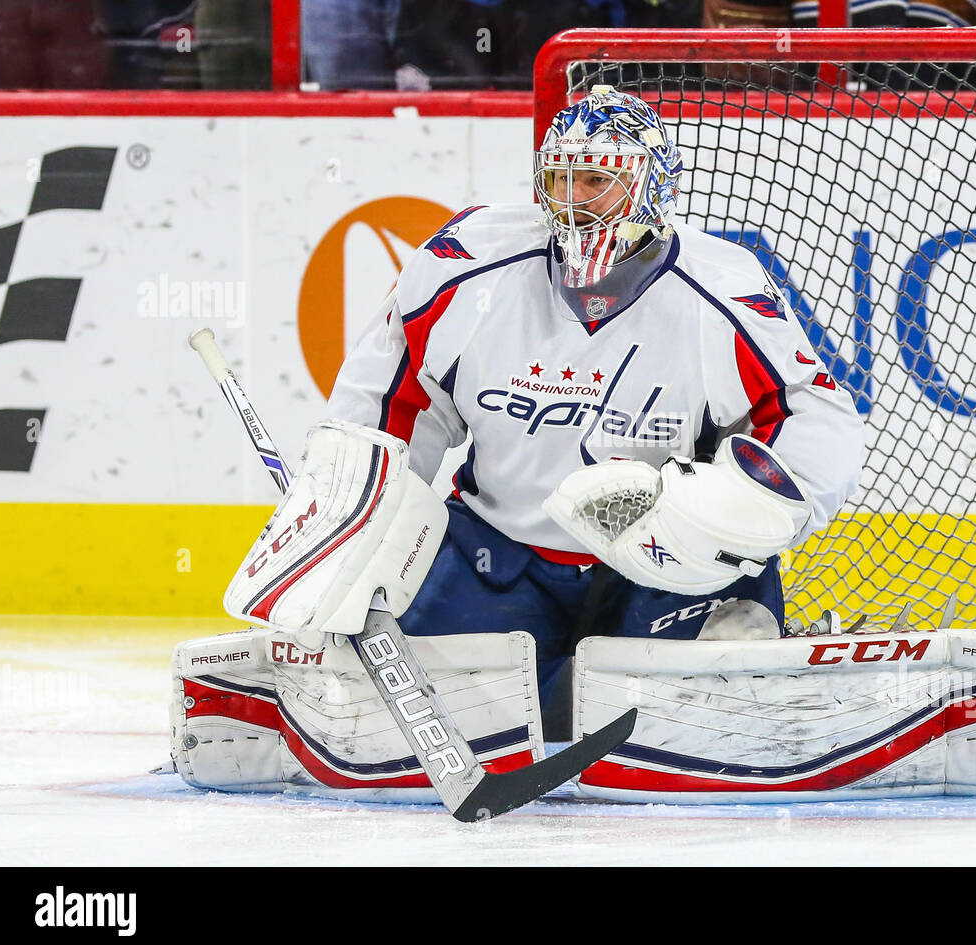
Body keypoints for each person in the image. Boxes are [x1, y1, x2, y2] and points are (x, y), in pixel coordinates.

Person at [325, 88, 864, 726]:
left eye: (598, 180)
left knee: (712, 697)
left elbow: (811, 414)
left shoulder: (721, 290)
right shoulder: (468, 265)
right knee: (391, 709)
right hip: (497, 555)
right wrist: (351, 518)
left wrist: (750, 516)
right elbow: (397, 399)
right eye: (561, 179)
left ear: (651, 186)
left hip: (666, 566)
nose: (574, 201)